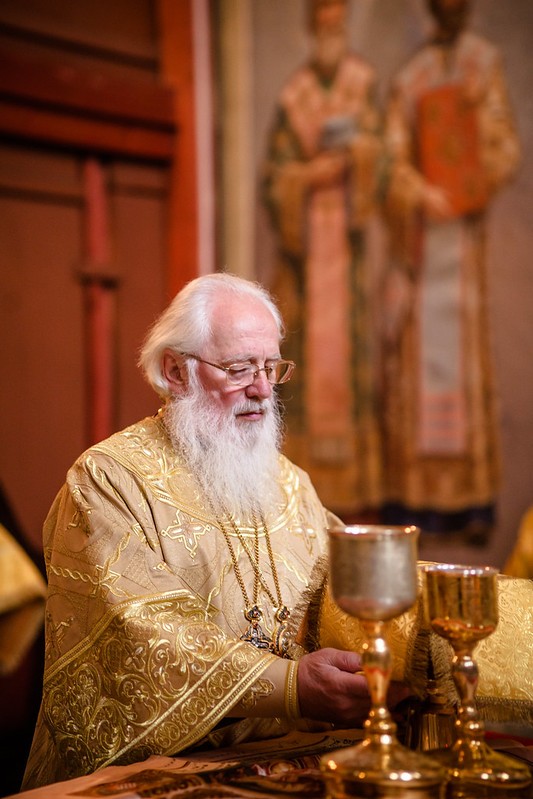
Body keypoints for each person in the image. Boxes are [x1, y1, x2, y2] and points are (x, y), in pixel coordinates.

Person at [22, 273, 408, 789]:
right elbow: (141, 638)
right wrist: (291, 686)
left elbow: (344, 590)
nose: (263, 389)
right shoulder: (108, 480)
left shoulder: (291, 484)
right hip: (158, 775)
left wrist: (413, 643)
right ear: (175, 371)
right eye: (239, 368)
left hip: (293, 761)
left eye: (271, 367)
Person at [381, 0, 521, 542]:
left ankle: (471, 505)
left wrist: (468, 180)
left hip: (463, 243)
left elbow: (503, 145)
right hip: (422, 242)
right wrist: (420, 192)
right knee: (418, 365)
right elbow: (392, 158)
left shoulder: (483, 64)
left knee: (463, 364)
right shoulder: (411, 76)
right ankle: (417, 501)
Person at [262, 0, 383, 518]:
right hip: (306, 262)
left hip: (349, 261)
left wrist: (356, 157)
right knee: (304, 357)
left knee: (354, 359)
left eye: (339, 24)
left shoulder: (362, 84)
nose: (331, 33)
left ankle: (358, 498)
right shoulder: (296, 96)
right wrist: (308, 177)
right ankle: (303, 492)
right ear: (313, 28)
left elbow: (384, 157)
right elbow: (274, 178)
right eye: (323, 25)